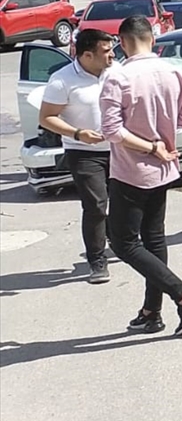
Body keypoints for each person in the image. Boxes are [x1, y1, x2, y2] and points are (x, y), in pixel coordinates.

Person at [98, 15, 182, 336]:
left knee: (123, 242)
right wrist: (161, 128)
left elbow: (111, 130)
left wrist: (150, 145)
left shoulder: (118, 76)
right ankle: (151, 312)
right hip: (163, 169)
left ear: (122, 42)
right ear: (153, 39)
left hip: (132, 170)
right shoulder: (173, 71)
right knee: (153, 238)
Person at [38, 28, 118, 284]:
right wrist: (78, 133)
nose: (112, 55)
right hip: (83, 152)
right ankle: (97, 260)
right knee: (95, 205)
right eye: (106, 51)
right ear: (86, 55)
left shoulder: (117, 72)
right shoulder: (62, 79)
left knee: (124, 201)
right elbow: (46, 117)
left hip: (119, 148)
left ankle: (119, 240)